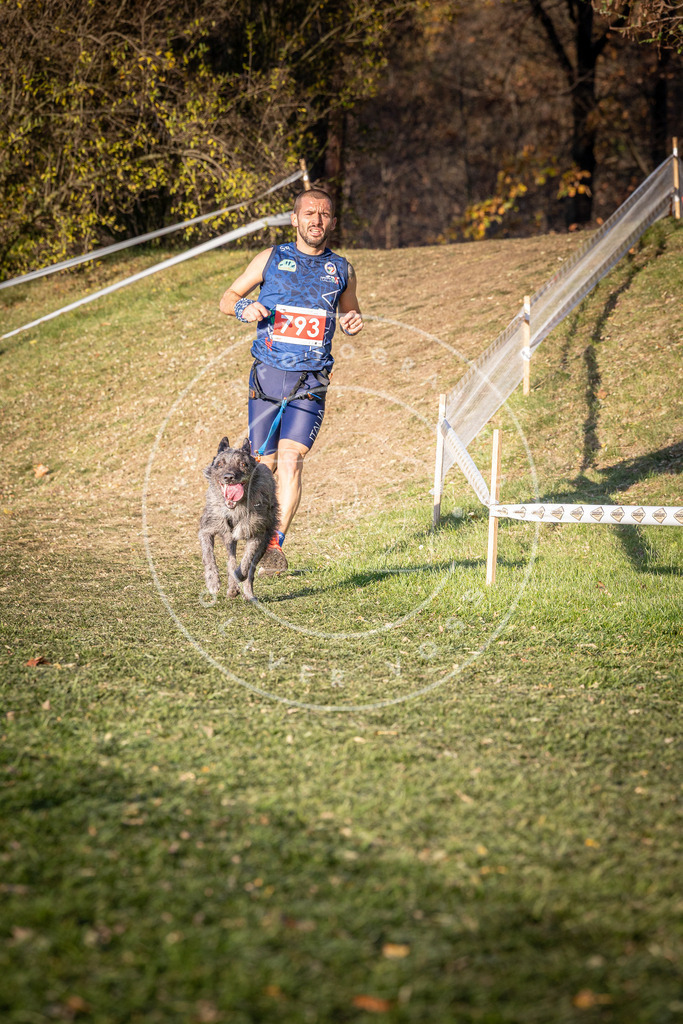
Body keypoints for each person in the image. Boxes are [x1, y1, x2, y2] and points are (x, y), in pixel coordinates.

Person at [219, 188, 363, 574]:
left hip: (310, 383)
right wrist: (243, 306)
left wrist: (352, 323)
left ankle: (272, 545)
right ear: (295, 219)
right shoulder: (271, 258)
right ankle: (249, 529)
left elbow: (351, 316)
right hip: (266, 378)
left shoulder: (342, 270)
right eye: (310, 213)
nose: (317, 220)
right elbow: (228, 296)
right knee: (261, 464)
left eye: (325, 214)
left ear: (332, 221)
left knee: (291, 460)